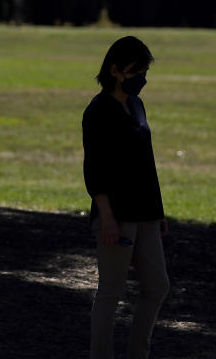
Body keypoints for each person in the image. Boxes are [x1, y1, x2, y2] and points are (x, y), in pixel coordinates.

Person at [83, 36, 170, 359]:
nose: (141, 79)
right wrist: (106, 218)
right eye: (136, 71)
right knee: (111, 292)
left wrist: (159, 211)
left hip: (146, 213)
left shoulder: (136, 105)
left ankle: (138, 353)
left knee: (158, 286)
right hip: (116, 216)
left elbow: (147, 161)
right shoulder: (98, 111)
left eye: (145, 71)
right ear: (115, 70)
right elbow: (94, 169)